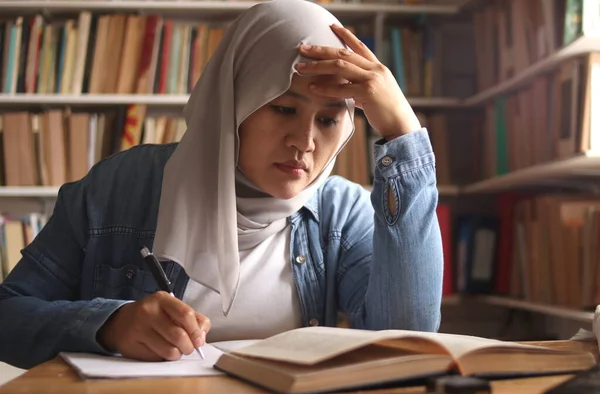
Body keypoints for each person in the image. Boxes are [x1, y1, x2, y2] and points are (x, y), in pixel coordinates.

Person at [0, 0, 443, 369]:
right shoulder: (119, 188)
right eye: (283, 109)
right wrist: (109, 324)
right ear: (233, 100)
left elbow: (406, 339)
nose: (304, 143)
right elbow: (8, 316)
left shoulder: (342, 213)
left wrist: (403, 133)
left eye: (328, 119)